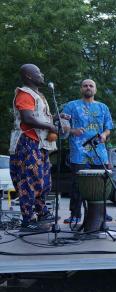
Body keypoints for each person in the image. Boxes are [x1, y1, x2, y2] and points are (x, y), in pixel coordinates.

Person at [9, 64, 63, 231]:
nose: (42, 74)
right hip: (26, 143)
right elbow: (27, 119)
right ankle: (28, 218)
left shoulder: (38, 95)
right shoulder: (25, 94)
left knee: (43, 181)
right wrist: (51, 127)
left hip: (39, 144)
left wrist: (56, 117)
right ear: (29, 76)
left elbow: (38, 117)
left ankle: (42, 212)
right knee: (28, 181)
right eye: (38, 72)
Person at [62, 79, 113, 224]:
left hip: (99, 150)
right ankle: (75, 215)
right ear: (81, 89)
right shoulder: (71, 106)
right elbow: (62, 127)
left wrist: (104, 135)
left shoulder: (103, 107)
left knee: (101, 182)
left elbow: (108, 127)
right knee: (77, 183)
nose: (88, 88)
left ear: (95, 90)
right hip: (78, 150)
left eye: (91, 86)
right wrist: (73, 130)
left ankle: (101, 213)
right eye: (85, 85)